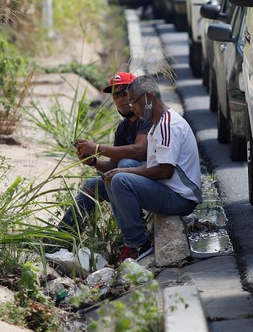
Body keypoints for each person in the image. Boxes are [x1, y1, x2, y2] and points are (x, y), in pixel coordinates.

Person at [105, 74, 201, 263]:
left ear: (148, 98)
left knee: (120, 178)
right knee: (112, 176)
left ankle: (138, 245)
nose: (131, 107)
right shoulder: (157, 124)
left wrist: (125, 172)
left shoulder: (167, 125)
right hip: (168, 188)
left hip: (181, 197)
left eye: (133, 101)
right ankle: (130, 238)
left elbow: (165, 171)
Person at [56, 72, 150, 236]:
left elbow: (139, 150)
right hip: (129, 183)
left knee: (125, 164)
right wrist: (92, 161)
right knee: (93, 185)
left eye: (124, 93)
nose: (120, 99)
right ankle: (62, 235)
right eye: (115, 95)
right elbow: (111, 167)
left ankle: (135, 236)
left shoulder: (146, 119)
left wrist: (97, 147)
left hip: (154, 182)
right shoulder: (123, 128)